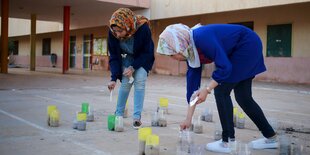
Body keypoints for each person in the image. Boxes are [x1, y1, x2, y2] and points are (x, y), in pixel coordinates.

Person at [157, 23, 278, 153]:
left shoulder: (202, 38)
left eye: (172, 54)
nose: (173, 59)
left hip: (247, 45)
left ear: (180, 45)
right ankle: (271, 138)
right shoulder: (191, 53)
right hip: (242, 48)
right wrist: (188, 119)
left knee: (221, 91)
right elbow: (192, 89)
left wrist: (207, 89)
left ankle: (228, 142)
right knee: (244, 97)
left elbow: (225, 67)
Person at [107, 8, 155, 129]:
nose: (117, 34)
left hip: (143, 57)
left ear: (128, 26)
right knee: (125, 84)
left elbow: (147, 52)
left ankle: (136, 118)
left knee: (140, 82)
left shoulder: (143, 28)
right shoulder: (112, 33)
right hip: (126, 58)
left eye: (120, 31)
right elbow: (113, 55)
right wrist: (113, 78)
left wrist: (133, 67)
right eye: (115, 31)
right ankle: (118, 115)